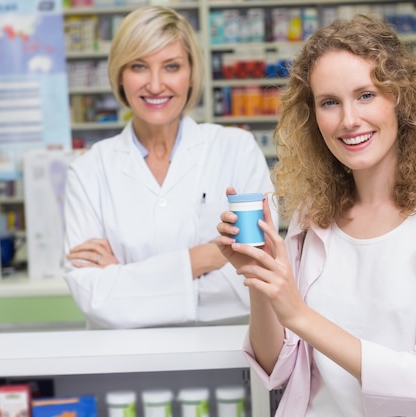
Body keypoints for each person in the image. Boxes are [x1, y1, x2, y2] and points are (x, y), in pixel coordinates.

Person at [216, 14, 416, 417]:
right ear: (313, 117)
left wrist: (297, 312)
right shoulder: (313, 218)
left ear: (400, 99)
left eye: (366, 95)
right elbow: (277, 368)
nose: (349, 120)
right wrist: (262, 281)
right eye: (330, 102)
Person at [63, 5, 275, 329]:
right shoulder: (89, 171)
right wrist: (203, 257)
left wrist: (124, 281)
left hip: (224, 355)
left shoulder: (236, 150)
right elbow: (95, 298)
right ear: (120, 74)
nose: (156, 84)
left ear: (191, 72)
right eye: (139, 66)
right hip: (120, 364)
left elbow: (252, 280)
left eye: (172, 66)